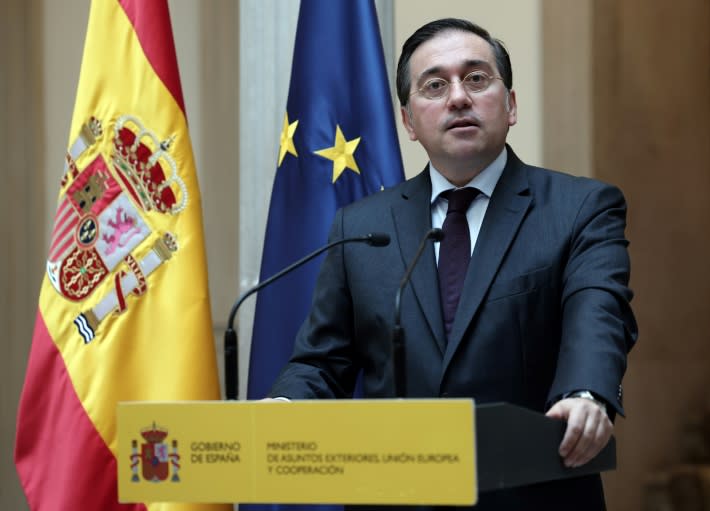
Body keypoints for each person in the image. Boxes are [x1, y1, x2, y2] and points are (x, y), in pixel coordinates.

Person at [268, 18, 638, 510]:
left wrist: (587, 392)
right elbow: (322, 360)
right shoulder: (360, 225)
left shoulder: (579, 207)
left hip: (534, 493)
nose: (458, 97)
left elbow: (599, 313)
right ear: (408, 122)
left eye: (477, 78)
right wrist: (284, 407)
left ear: (510, 105)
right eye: (435, 85)